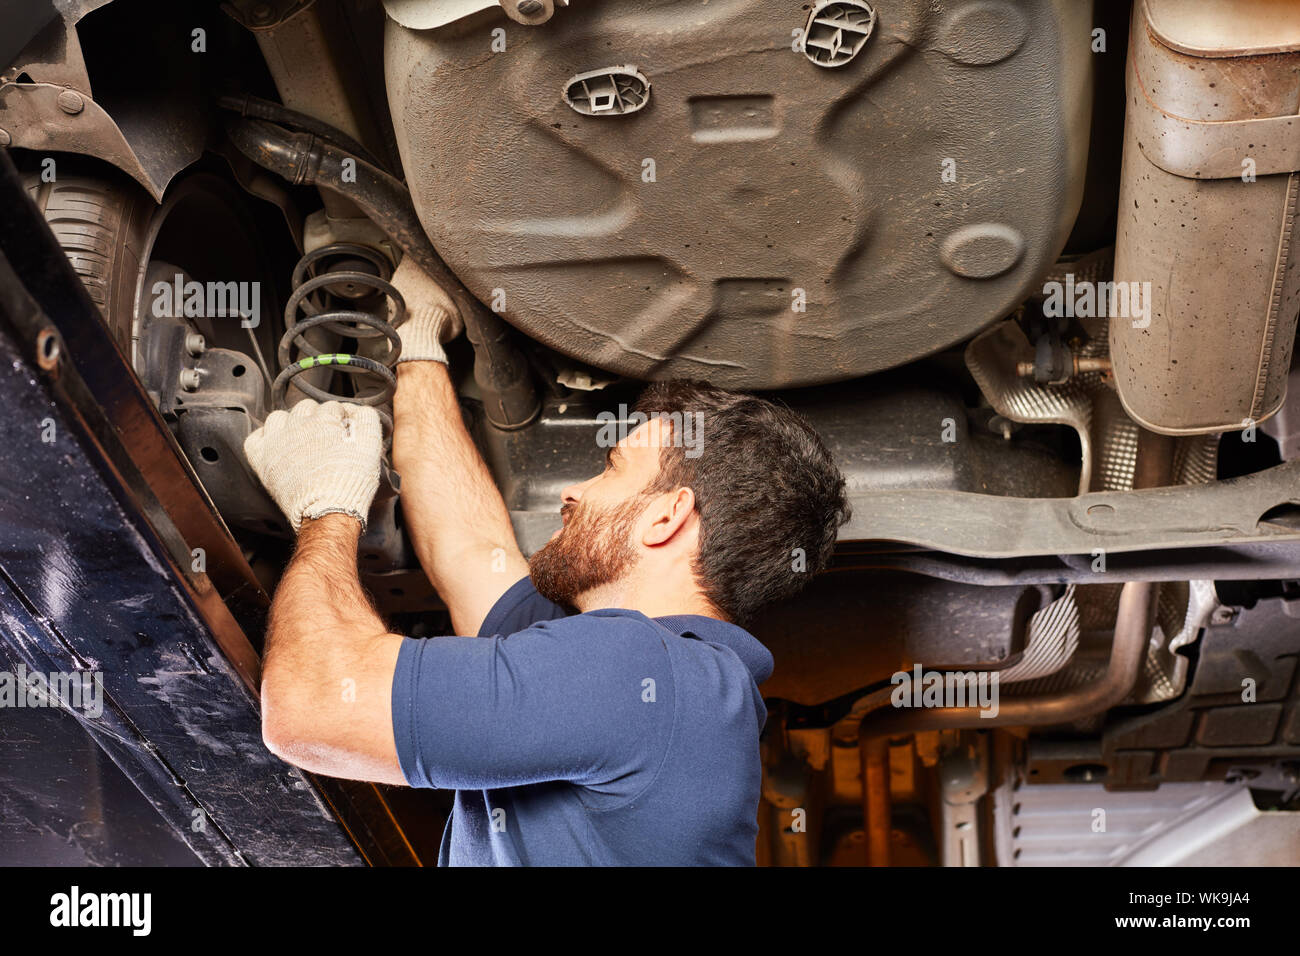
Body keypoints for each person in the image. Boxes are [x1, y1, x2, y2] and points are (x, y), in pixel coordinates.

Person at [244, 257, 850, 865]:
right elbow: (469, 550)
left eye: (611, 470)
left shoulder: (647, 673)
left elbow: (311, 704)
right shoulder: (673, 684)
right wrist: (420, 342)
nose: (572, 493)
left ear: (666, 517)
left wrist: (328, 508)